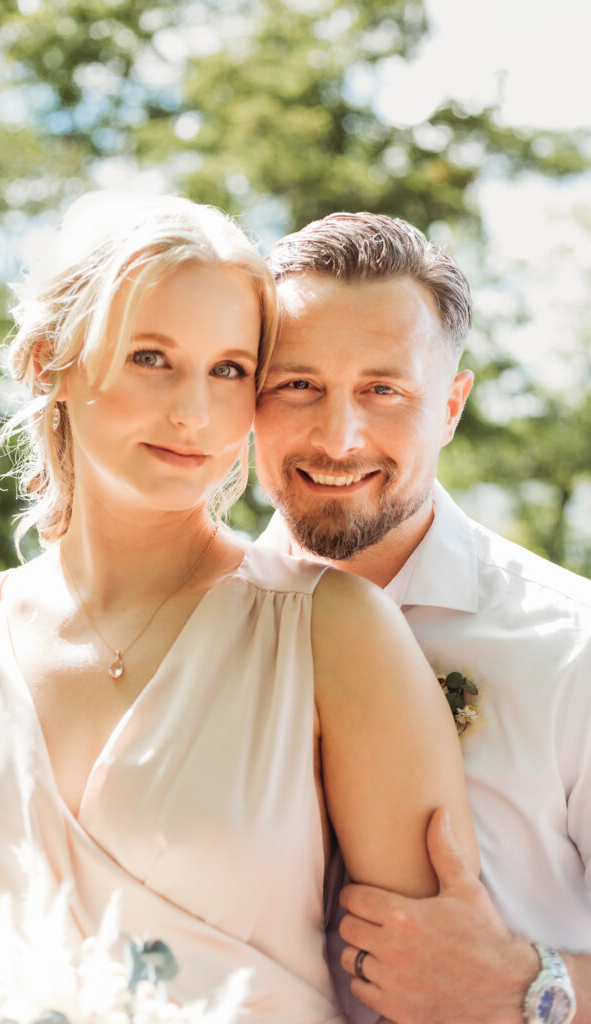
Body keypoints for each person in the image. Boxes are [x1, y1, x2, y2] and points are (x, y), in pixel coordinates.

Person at [0, 193, 477, 1020]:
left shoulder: (331, 629)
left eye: (229, 371)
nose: (193, 412)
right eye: (150, 358)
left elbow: (431, 993)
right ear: (47, 362)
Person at [253, 210, 591, 1024]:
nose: (339, 436)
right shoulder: (184, 630)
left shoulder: (572, 648)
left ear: (449, 405)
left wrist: (531, 989)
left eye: (383, 389)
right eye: (298, 384)